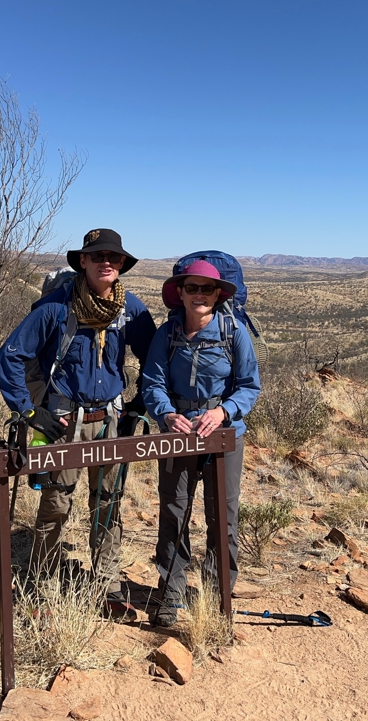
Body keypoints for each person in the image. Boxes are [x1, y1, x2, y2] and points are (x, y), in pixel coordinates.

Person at [0, 229, 156, 618]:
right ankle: (42, 583)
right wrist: (29, 411)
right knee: (56, 503)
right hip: (65, 421)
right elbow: (12, 355)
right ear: (82, 262)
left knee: (108, 503)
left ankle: (107, 585)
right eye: (98, 256)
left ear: (122, 266)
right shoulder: (56, 307)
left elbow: (155, 360)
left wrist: (139, 404)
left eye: (115, 258)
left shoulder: (130, 309)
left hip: (112, 419)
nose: (107, 262)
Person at [141, 259, 261, 627]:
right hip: (177, 435)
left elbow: (249, 386)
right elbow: (152, 382)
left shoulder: (233, 332)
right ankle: (171, 593)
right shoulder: (168, 333)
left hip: (223, 435)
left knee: (221, 516)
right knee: (174, 512)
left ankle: (216, 596)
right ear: (180, 292)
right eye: (191, 288)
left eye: (206, 289)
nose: (199, 295)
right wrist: (166, 414)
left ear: (217, 294)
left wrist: (223, 412)